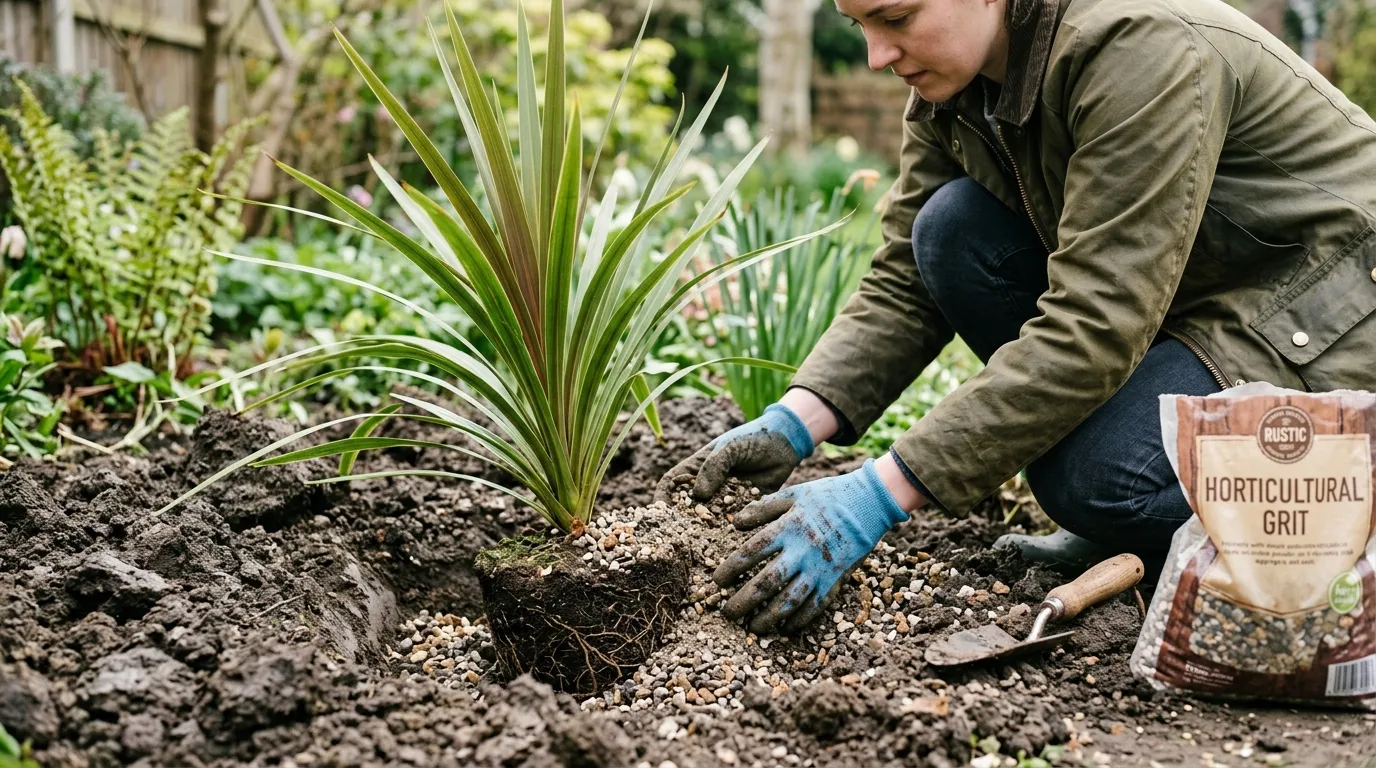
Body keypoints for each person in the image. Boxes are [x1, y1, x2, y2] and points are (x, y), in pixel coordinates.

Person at [658, 0, 1376, 636]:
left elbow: (1096, 324)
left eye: (896, 18)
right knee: (949, 228)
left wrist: (879, 495)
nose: (877, 56)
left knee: (1097, 480)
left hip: (1329, 308)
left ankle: (1335, 522)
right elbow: (907, 275)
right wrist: (796, 419)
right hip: (1205, 293)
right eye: (860, 25)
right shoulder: (959, 85)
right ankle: (1125, 530)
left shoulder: (1138, 46)